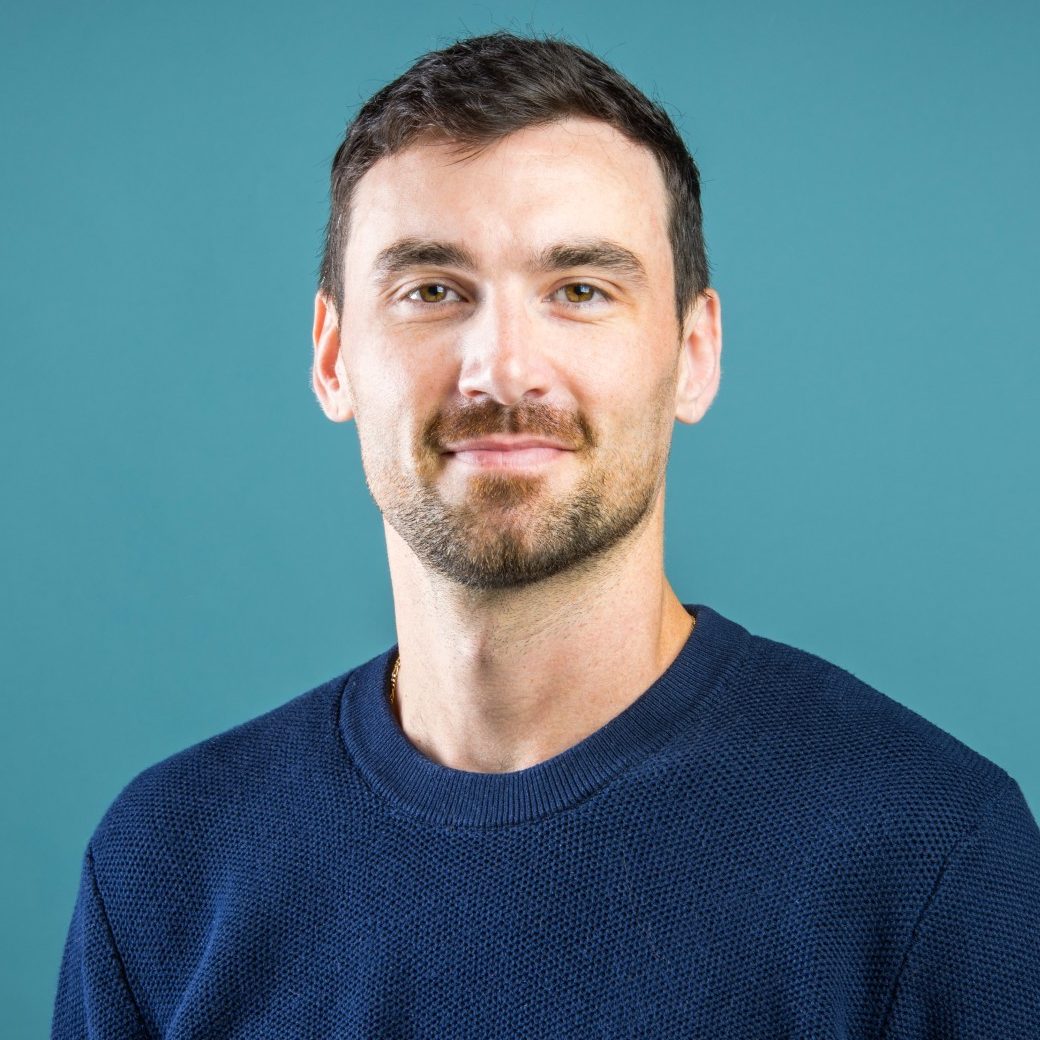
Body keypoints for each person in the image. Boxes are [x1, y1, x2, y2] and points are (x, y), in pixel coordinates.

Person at [52, 31, 1040, 1038]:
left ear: (693, 354)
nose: (502, 370)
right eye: (431, 289)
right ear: (334, 353)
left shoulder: (930, 855)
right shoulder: (163, 869)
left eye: (579, 290)